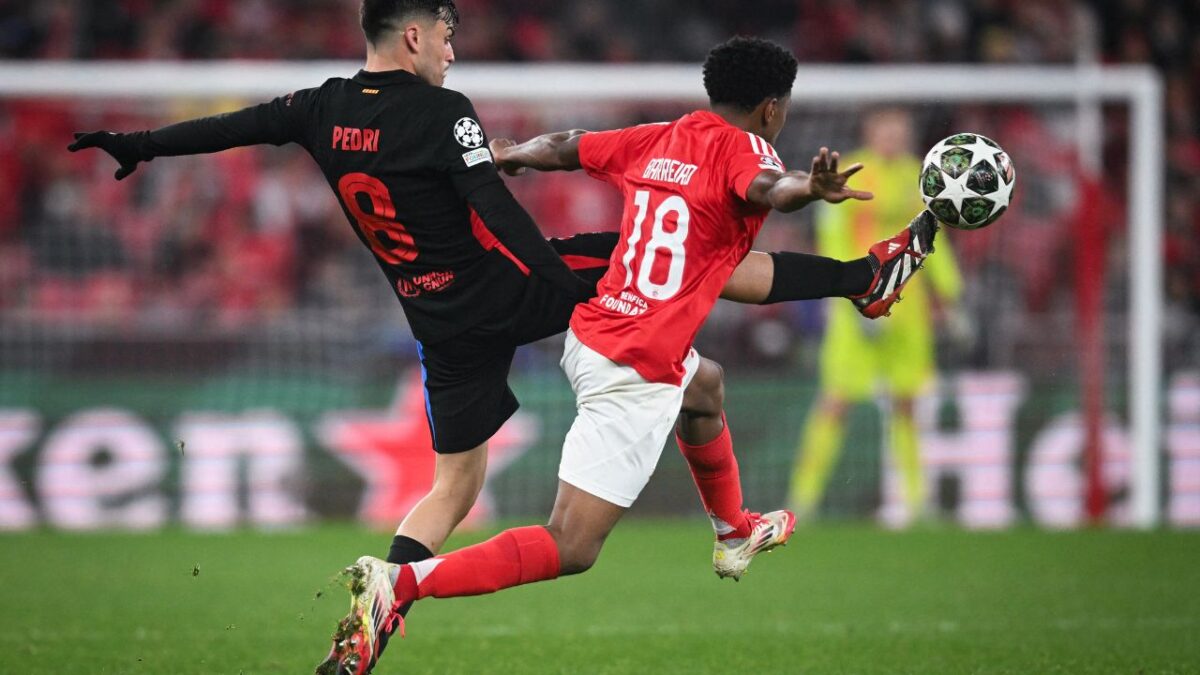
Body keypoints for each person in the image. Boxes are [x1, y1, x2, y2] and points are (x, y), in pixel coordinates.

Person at [67, 0, 932, 586]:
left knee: (456, 483)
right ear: (412, 38)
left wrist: (142, 144)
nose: (453, 48)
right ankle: (862, 280)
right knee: (665, 264)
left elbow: (234, 126)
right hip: (510, 289)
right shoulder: (447, 114)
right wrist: (562, 279)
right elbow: (498, 211)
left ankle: (377, 610)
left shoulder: (318, 107)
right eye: (445, 34)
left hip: (432, 319)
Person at [323, 36, 941, 674]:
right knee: (572, 545)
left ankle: (733, 531)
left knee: (705, 386)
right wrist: (805, 189)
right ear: (771, 109)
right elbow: (765, 187)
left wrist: (511, 157)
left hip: (596, 330)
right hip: (636, 364)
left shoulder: (660, 137)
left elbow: (567, 144)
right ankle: (402, 584)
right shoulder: (749, 149)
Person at [787, 107, 963, 525]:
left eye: (900, 130)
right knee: (835, 403)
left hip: (909, 309)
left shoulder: (919, 177)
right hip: (857, 306)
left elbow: (933, 240)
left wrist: (952, 300)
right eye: (885, 129)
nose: (893, 136)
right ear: (870, 131)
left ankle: (918, 505)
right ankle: (803, 500)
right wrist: (845, 293)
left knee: (906, 404)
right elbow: (833, 236)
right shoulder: (850, 174)